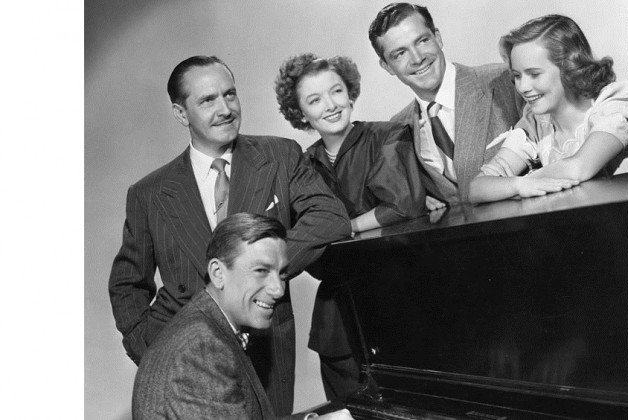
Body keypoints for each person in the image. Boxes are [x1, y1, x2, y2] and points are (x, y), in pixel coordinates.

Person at [109, 55, 351, 415]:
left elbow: (329, 217)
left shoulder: (280, 155)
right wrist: (154, 347)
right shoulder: (150, 193)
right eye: (208, 100)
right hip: (190, 350)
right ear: (180, 113)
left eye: (230, 94)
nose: (225, 109)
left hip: (267, 344)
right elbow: (127, 284)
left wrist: (260, 269)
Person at [274, 53, 426, 399]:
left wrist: (342, 226)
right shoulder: (301, 164)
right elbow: (303, 238)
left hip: (401, 296)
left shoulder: (387, 136)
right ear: (300, 113)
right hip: (337, 318)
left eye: (337, 91)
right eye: (314, 100)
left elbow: (403, 205)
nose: (330, 105)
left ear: (350, 93)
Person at [132, 213, 353, 420]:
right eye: (261, 271)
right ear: (218, 273)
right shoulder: (201, 349)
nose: (278, 289)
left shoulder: (208, 326)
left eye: (282, 273)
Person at [469, 15, 628, 204]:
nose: (522, 86)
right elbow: (477, 188)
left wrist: (511, 186)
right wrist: (519, 186)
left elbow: (578, 168)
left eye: (534, 74)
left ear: (569, 67)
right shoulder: (535, 124)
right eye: (517, 76)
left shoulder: (614, 103)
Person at [368, 2, 524, 206]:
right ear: (387, 66)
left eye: (422, 41)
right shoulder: (398, 129)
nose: (417, 58)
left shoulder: (504, 80)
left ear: (438, 38)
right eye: (400, 53)